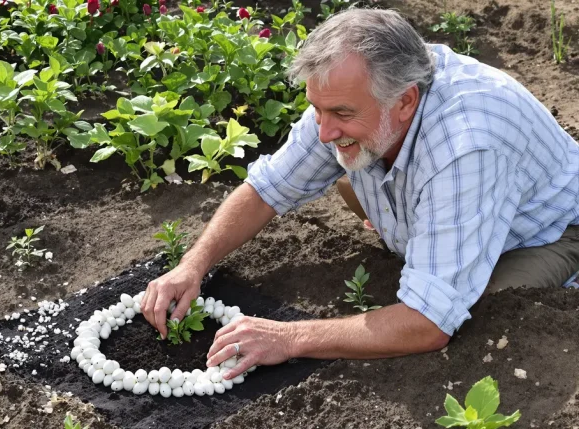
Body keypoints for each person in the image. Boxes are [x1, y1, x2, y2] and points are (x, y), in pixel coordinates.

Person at [141, 8, 579, 380]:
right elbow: (267, 189)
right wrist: (192, 265)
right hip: (455, 195)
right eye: (317, 109)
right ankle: (429, 240)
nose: (324, 130)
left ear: (405, 101)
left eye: (341, 114)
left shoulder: (467, 145)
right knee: (350, 166)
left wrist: (290, 337)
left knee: (475, 312)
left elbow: (427, 325)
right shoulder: (352, 99)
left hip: (549, 233)